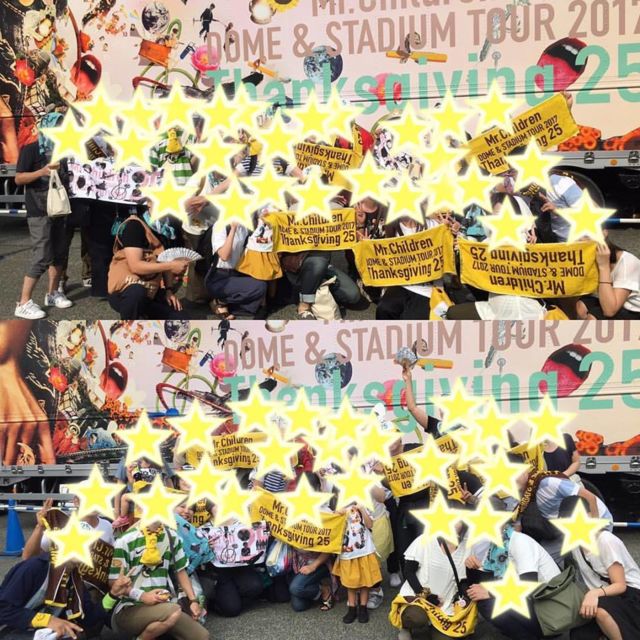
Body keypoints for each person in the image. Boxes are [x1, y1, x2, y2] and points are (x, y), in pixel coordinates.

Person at [14, 111, 74, 319]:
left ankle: (53, 293)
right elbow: (19, 179)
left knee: (59, 253)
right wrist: (42, 172)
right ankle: (23, 303)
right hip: (39, 209)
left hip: (60, 208)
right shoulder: (31, 149)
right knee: (42, 255)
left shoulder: (63, 150)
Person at [108, 519, 208, 640]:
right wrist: (142, 596)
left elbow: (180, 571)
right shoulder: (125, 539)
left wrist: (193, 601)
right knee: (173, 612)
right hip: (130, 607)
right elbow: (114, 582)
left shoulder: (172, 536)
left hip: (162, 604)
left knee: (202, 636)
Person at [559, 496, 640, 640]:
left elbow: (620, 585)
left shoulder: (605, 540)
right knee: (579, 634)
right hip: (604, 595)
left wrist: (593, 594)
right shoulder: (575, 546)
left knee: (600, 611)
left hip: (631, 596)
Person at [466, 520, 560, 640]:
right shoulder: (496, 546)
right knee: (484, 596)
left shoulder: (519, 541)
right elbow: (491, 577)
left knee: (490, 604)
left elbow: (528, 584)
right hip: (536, 600)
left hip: (551, 610)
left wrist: (490, 592)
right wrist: (473, 566)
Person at [107, 206, 189, 320]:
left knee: (180, 318)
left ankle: (144, 316)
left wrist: (169, 290)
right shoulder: (135, 225)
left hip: (152, 289)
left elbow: (165, 259)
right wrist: (171, 266)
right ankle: (129, 325)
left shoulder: (169, 228)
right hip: (127, 288)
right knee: (137, 293)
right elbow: (135, 266)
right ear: (149, 203)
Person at [390, 525, 470, 640]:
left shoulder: (467, 547)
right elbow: (408, 571)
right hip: (419, 597)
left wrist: (467, 595)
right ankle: (405, 627)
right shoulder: (426, 539)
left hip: (444, 604)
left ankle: (433, 626)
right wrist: (426, 595)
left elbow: (463, 580)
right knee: (416, 618)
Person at [205, 222, 269, 318]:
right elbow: (224, 256)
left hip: (236, 273)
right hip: (219, 276)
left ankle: (224, 304)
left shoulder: (244, 228)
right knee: (259, 287)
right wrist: (233, 229)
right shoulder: (220, 225)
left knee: (260, 286)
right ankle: (220, 302)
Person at [332, 503, 382, 624]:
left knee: (365, 580)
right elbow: (333, 526)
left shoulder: (362, 506)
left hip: (364, 551)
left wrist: (362, 509)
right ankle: (352, 608)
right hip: (348, 553)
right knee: (351, 582)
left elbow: (370, 525)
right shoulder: (341, 508)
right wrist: (338, 514)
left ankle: (363, 607)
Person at [21, 498, 114, 561]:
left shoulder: (107, 526)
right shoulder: (60, 526)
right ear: (76, 501)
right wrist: (40, 527)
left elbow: (110, 560)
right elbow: (27, 557)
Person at [578, 238, 640, 320]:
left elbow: (609, 311)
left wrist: (603, 266)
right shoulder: (589, 259)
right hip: (616, 302)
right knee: (580, 306)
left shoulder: (627, 263)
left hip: (635, 310)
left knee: (594, 315)